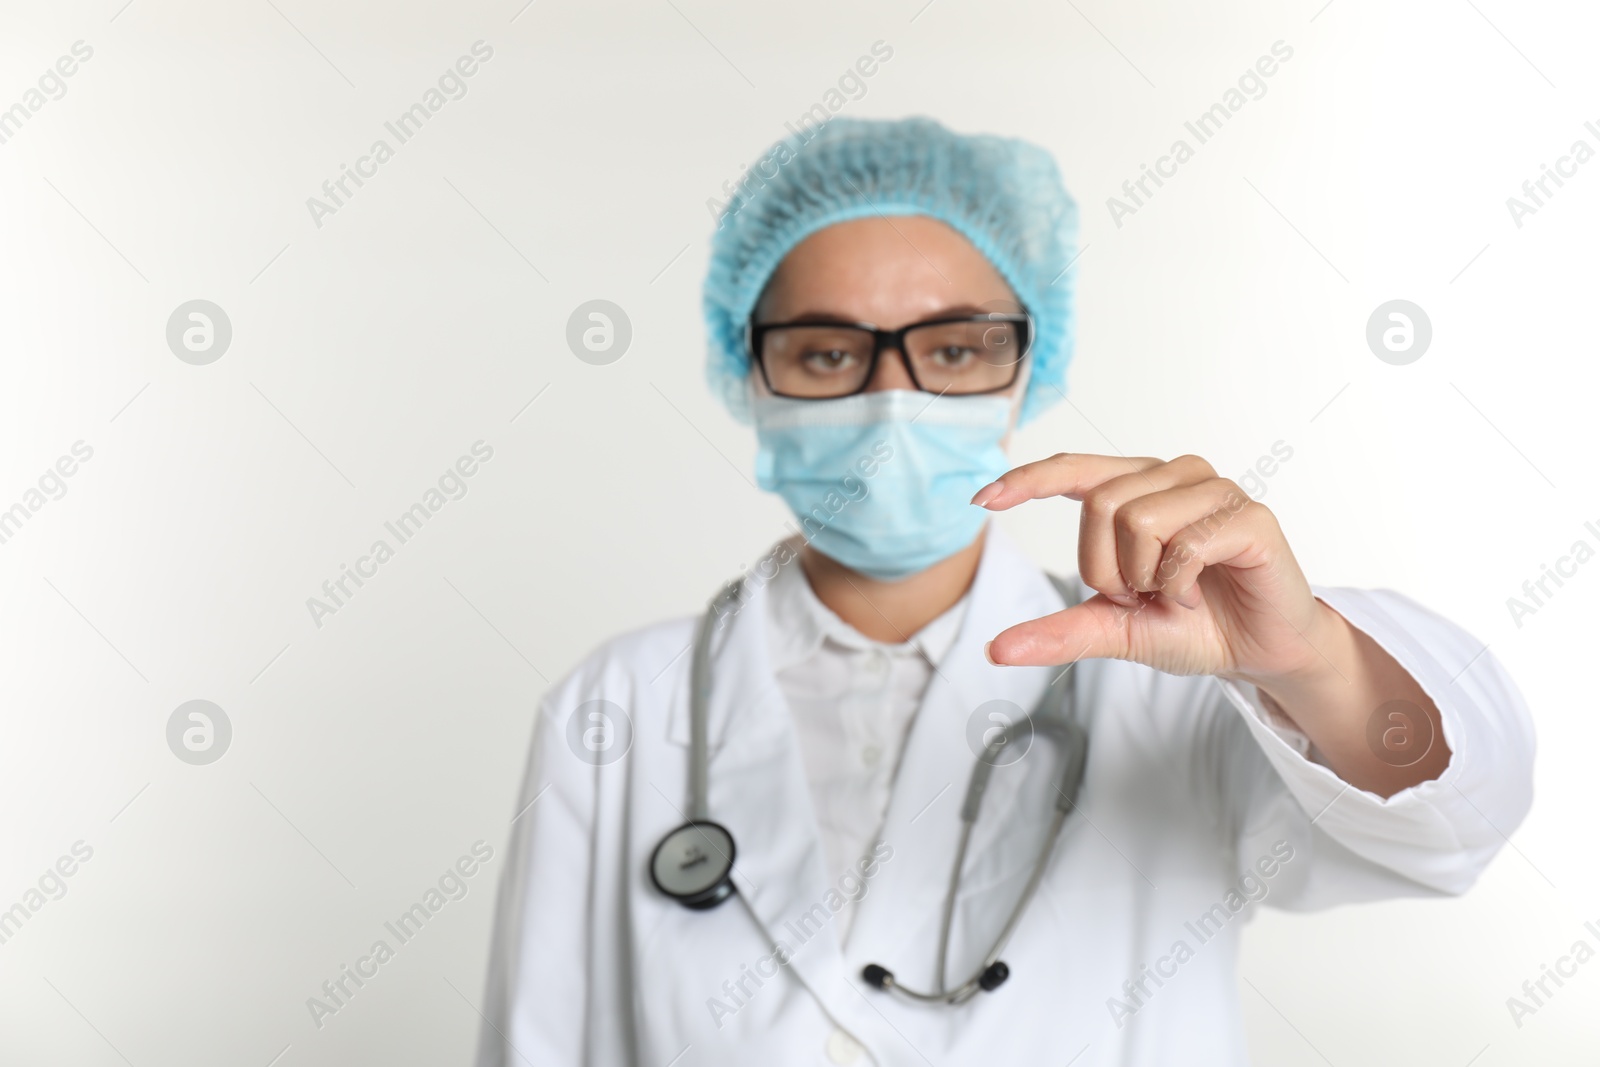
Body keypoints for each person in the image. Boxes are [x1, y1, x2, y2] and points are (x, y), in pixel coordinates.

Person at [474, 117, 1534, 1066]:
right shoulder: (616, 704)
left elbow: (1446, 828)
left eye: (953, 347)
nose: (891, 398)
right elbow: (541, 1037)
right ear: (750, 373)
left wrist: (1305, 658)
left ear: (1027, 371)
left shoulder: (1169, 687)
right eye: (828, 350)